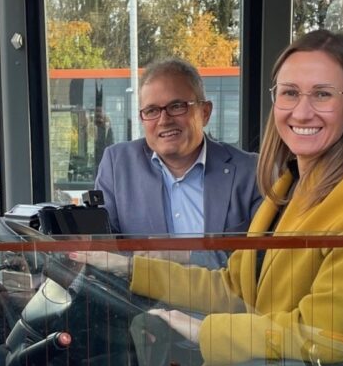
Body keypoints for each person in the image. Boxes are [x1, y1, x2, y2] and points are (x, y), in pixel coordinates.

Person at [76, 30, 343, 366]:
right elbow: (235, 287)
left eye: (322, 94)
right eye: (290, 93)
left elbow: (322, 339)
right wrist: (129, 270)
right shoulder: (292, 183)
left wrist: (205, 332)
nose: (302, 111)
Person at [94, 58, 262, 255]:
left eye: (176, 106)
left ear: (205, 112)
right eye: (152, 111)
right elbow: (104, 253)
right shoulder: (117, 165)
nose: (164, 120)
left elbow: (261, 257)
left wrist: (185, 259)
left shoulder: (250, 172)